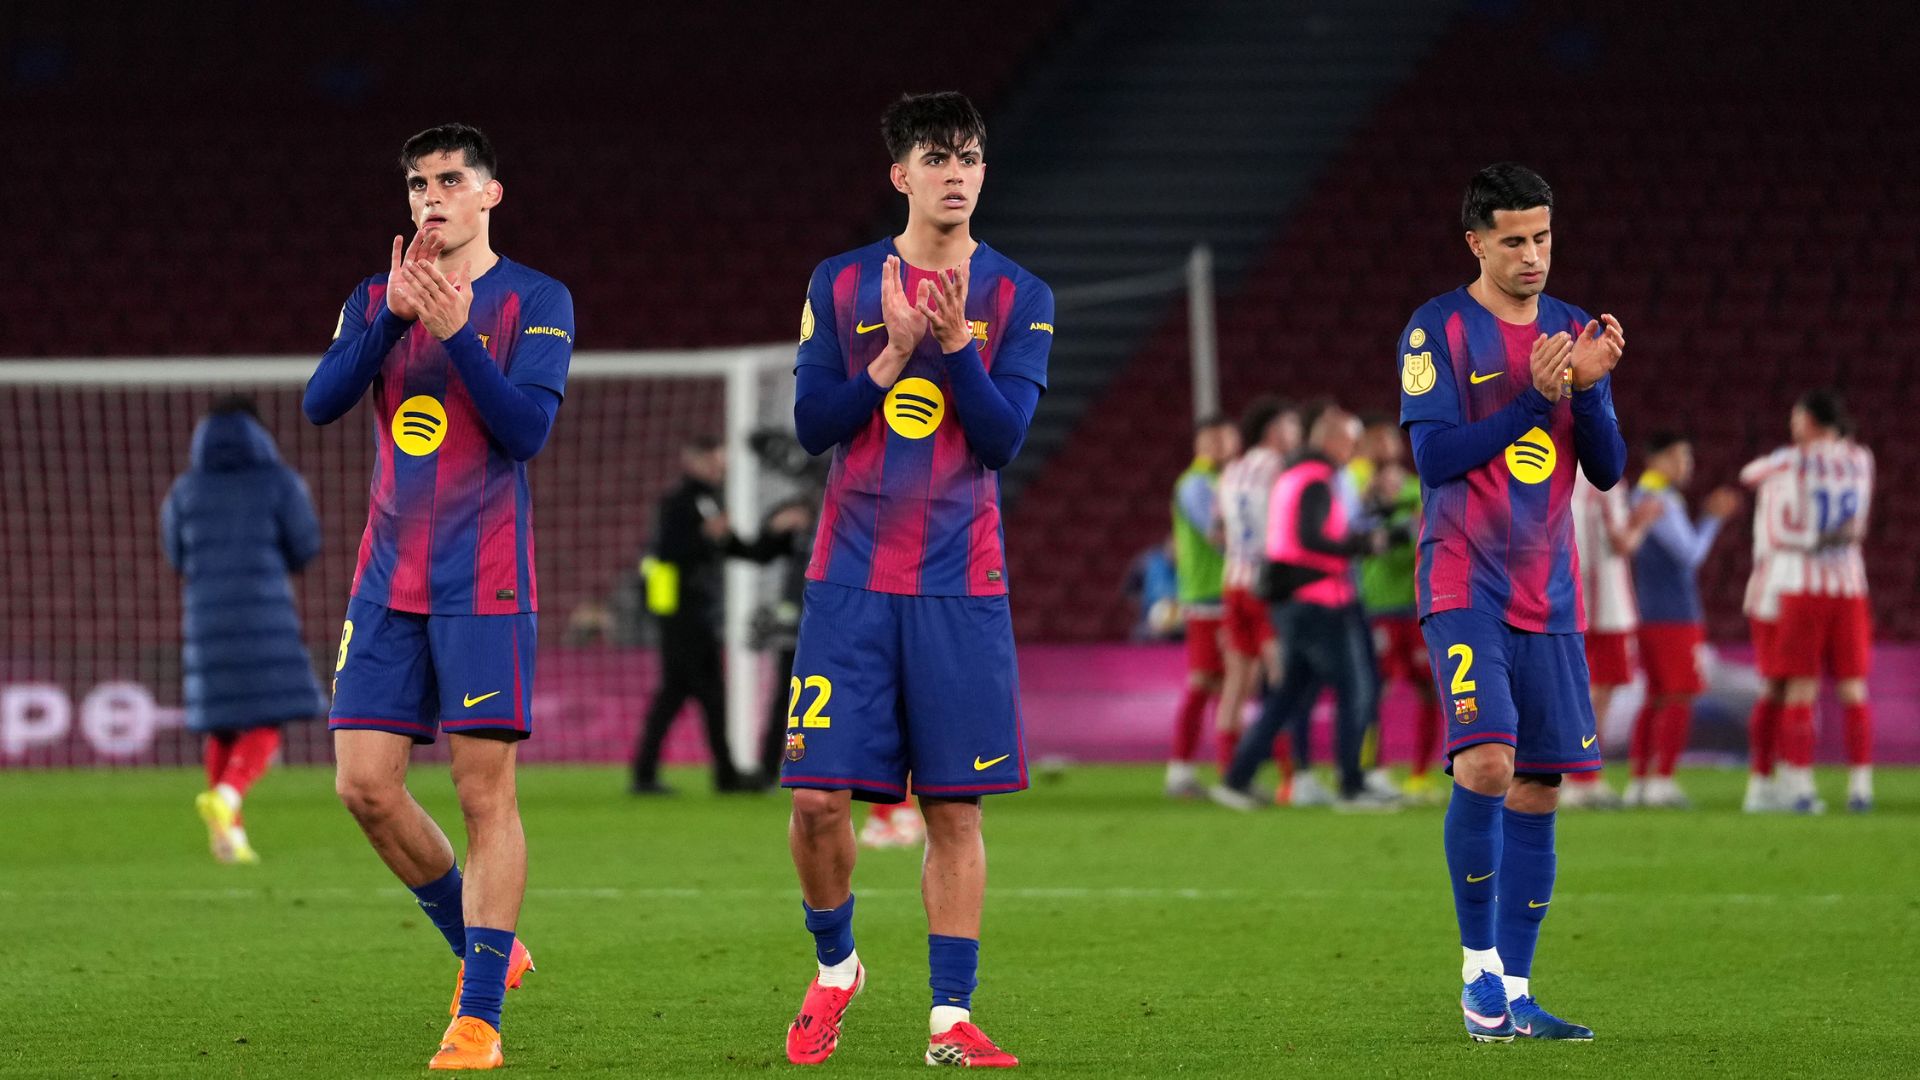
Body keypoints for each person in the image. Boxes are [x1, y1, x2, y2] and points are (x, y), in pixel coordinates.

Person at [778, 91, 1050, 1068]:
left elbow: (1003, 438)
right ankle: (838, 963)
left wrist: (953, 346)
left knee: (954, 809)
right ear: (900, 174)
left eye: (970, 157)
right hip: (849, 580)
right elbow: (813, 427)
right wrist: (893, 355)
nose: (957, 173)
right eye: (937, 157)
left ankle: (949, 1020)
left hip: (959, 586)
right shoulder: (842, 283)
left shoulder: (1021, 294)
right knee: (816, 803)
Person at [302, 123, 573, 1071]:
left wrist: (456, 334)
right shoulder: (376, 298)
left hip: (485, 579)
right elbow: (321, 401)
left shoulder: (537, 300)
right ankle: (485, 953)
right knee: (364, 788)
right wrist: (391, 321)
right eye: (419, 183)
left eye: (452, 180)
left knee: (481, 792)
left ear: (491, 193)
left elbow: (525, 429)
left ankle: (480, 1018)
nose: (432, 197)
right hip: (387, 581)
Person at [1400, 164, 1626, 1043]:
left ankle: (1518, 991)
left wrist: (1594, 387)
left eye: (1542, 237)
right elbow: (1436, 459)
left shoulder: (1572, 328)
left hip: (1550, 588)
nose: (1532, 255)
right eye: (1513, 241)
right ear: (1476, 242)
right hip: (1464, 576)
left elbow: (1603, 468)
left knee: (1537, 786)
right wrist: (1538, 397)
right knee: (1486, 764)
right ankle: (1477, 973)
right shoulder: (1438, 328)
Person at [1211, 404, 1401, 812]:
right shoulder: (1317, 478)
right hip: (1320, 602)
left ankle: (1237, 779)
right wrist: (1362, 545)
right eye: (1350, 441)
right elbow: (1309, 538)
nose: (1354, 449)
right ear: (1333, 440)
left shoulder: (1295, 474)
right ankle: (1351, 786)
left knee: (1288, 696)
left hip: (1295, 603)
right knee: (1357, 690)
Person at [162, 396, 325, 865]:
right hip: (264, 617)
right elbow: (305, 546)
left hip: (205, 618)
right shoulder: (279, 483)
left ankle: (227, 837)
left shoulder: (185, 490)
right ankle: (229, 796)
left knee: (224, 723)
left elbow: (176, 554)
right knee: (266, 719)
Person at [630, 435, 809, 795]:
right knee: (704, 693)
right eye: (714, 460)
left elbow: (744, 551)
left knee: (681, 693)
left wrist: (777, 534)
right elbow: (667, 553)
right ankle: (721, 774)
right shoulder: (681, 503)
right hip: (678, 612)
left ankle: (652, 773)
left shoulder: (709, 502)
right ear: (692, 459)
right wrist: (704, 537)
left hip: (698, 613)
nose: (720, 467)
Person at [1737, 390, 1875, 812]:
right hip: (1848, 585)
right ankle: (1859, 786)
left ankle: (1782, 782)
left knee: (1786, 686)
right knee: (1848, 688)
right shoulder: (1861, 459)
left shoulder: (1792, 463)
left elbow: (1752, 478)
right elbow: (1859, 526)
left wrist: (1814, 537)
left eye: (1797, 418)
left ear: (1811, 422)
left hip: (1789, 584)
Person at [1623, 433, 1739, 808]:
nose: (1686, 467)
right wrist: (1712, 519)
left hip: (1649, 612)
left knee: (1656, 697)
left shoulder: (1641, 495)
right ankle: (1662, 780)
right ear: (1657, 460)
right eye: (1679, 458)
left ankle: (1639, 780)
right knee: (1680, 696)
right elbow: (1690, 555)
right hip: (1674, 615)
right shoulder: (1661, 500)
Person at [1213, 398, 1301, 800]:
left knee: (1235, 683)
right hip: (1268, 585)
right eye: (1290, 426)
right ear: (1273, 431)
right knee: (1282, 678)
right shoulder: (1282, 469)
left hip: (1233, 581)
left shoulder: (1230, 470)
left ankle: (1228, 773)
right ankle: (1289, 779)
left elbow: (1217, 532)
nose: (1296, 434)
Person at [1349, 414, 1439, 801]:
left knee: (1431, 691)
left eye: (1391, 444)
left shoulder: (1418, 486)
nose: (1386, 451)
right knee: (1374, 691)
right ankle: (1374, 771)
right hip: (1377, 604)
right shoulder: (1356, 489)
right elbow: (1360, 533)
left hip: (1415, 603)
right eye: (1377, 445)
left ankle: (1420, 774)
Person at [1563, 466, 1661, 808]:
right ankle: (1584, 777)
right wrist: (1643, 520)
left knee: (1575, 690)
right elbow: (1622, 542)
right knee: (1597, 693)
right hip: (1606, 605)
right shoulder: (1605, 479)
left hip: (1566, 598)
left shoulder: (1555, 474)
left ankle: (1568, 775)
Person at [1163, 415, 1239, 797]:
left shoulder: (1216, 482)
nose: (1226, 447)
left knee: (1228, 683)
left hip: (1222, 594)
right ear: (1202, 445)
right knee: (1209, 682)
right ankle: (1186, 770)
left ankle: (1223, 770)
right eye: (1217, 440)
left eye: (1229, 440)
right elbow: (1218, 537)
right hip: (1209, 596)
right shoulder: (1196, 484)